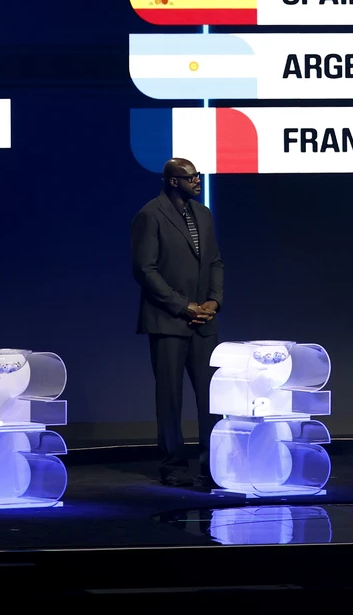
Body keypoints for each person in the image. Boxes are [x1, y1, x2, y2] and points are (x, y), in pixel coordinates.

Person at [131, 157, 224, 487]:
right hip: (168, 321)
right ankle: (173, 466)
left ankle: (213, 464)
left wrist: (214, 301)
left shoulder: (204, 214)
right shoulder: (150, 215)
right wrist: (183, 306)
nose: (197, 181)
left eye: (197, 176)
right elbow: (145, 270)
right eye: (191, 177)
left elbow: (215, 261)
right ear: (173, 181)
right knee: (170, 398)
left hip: (203, 322)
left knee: (211, 397)